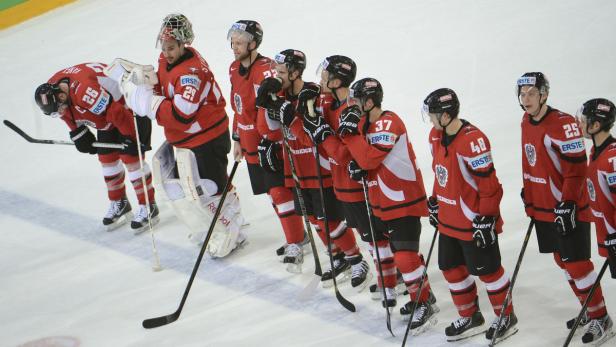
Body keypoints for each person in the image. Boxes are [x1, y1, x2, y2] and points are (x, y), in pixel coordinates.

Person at [115, 14, 246, 257]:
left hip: (206, 138)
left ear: (184, 44)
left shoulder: (191, 73)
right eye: (164, 47)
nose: (167, 53)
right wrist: (148, 85)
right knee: (187, 187)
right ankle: (216, 226)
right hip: (188, 139)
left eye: (172, 47)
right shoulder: (168, 60)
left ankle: (233, 233)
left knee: (209, 188)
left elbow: (182, 115)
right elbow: (165, 89)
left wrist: (147, 102)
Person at [340, 77, 437, 331]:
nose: (353, 104)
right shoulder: (365, 123)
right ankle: (425, 297)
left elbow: (370, 159)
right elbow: (366, 163)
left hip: (402, 200)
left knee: (405, 258)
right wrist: (356, 167)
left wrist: (351, 139)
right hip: (381, 201)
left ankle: (424, 303)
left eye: (358, 100)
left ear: (370, 102)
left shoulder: (389, 122)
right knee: (401, 253)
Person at [517, 72, 609, 342]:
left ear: (544, 94)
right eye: (522, 94)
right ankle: (589, 310)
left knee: (577, 263)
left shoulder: (564, 124)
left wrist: (569, 201)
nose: (526, 99)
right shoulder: (526, 121)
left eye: (532, 93)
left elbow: (577, 168)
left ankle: (601, 316)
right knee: (563, 261)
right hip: (545, 207)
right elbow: (530, 161)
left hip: (568, 207)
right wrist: (531, 194)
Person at [424, 88, 517, 341]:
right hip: (449, 221)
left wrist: (486, 219)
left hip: (473, 221)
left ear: (445, 115)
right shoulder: (435, 136)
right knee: (451, 268)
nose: (430, 120)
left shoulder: (473, 141)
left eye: (433, 115)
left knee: (489, 271)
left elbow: (490, 187)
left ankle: (506, 316)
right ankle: (471, 315)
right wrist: (435, 200)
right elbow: (440, 173)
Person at [34, 62, 156, 233]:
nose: (60, 112)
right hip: (108, 113)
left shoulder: (85, 92)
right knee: (107, 159)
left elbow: (117, 113)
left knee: (131, 159)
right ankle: (119, 202)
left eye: (60, 107)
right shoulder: (56, 91)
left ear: (62, 97)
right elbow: (65, 112)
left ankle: (148, 206)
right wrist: (77, 133)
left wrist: (131, 138)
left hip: (128, 107)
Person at [227, 22, 311, 264]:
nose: (234, 46)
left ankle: (295, 241)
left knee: (280, 192)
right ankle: (296, 235)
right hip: (249, 143)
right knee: (273, 196)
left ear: (253, 44)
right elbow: (237, 106)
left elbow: (274, 106)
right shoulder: (233, 68)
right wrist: (237, 137)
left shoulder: (266, 70)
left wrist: (273, 139)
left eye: (240, 42)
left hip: (269, 143)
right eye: (233, 41)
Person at [575, 98, 615, 345]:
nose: (579, 124)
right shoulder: (596, 151)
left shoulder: (612, 158)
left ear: (596, 125)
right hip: (608, 233)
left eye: (584, 121)